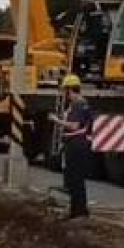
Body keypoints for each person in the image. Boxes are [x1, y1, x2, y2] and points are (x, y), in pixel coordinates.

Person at [49, 74, 93, 219]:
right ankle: (79, 209)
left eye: (65, 91)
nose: (65, 95)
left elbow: (74, 126)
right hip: (78, 144)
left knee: (74, 178)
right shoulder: (82, 104)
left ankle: (78, 210)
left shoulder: (78, 105)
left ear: (69, 90)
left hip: (76, 145)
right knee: (77, 178)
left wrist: (57, 120)